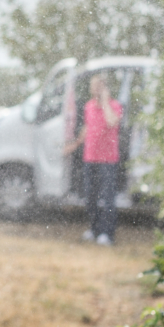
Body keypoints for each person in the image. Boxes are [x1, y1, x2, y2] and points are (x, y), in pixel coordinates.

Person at [65, 75, 123, 246]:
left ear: (105, 88)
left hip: (108, 160)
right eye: (93, 86)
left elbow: (112, 122)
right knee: (90, 197)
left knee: (108, 198)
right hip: (90, 157)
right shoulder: (88, 106)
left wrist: (105, 101)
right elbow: (87, 127)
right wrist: (75, 144)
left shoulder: (114, 106)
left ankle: (107, 233)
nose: (94, 88)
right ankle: (94, 229)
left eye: (98, 86)